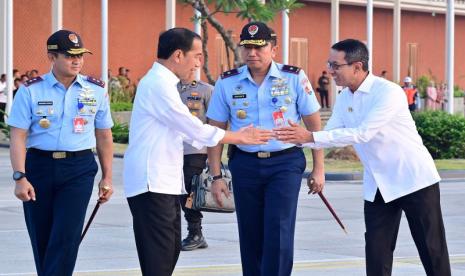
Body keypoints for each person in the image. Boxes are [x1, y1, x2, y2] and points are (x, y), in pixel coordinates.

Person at [275, 39, 451, 276]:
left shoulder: (388, 92)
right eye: (329, 64)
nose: (330, 70)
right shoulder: (345, 97)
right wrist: (298, 138)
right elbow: (330, 133)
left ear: (357, 66)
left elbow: (362, 134)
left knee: (431, 249)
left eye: (336, 65)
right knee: (376, 251)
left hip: (413, 179)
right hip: (378, 183)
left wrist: (309, 136)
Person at [123, 27, 273, 276]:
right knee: (158, 258)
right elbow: (192, 127)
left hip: (164, 182)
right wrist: (238, 137)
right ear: (178, 55)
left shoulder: (165, 83)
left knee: (169, 251)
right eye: (196, 55)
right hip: (152, 183)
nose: (198, 62)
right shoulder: (157, 85)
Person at [206, 22, 325, 276]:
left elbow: (314, 124)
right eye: (247, 47)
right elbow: (215, 132)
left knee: (279, 227)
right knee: (249, 230)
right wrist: (216, 176)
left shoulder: (294, 77)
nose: (252, 53)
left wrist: (319, 168)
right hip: (245, 163)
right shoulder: (228, 82)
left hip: (285, 163)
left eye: (259, 47)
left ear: (274, 49)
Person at [7, 29, 114, 276]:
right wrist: (20, 176)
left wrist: (107, 177)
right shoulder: (30, 90)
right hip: (38, 168)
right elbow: (18, 135)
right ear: (51, 57)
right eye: (69, 55)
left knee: (66, 235)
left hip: (78, 169)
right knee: (41, 236)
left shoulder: (95, 90)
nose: (77, 61)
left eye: (80, 55)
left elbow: (104, 135)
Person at [177, 72, 213, 251]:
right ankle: (176, 232)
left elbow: (216, 122)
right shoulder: (169, 89)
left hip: (195, 150)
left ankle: (195, 233)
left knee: (189, 192)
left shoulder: (205, 90)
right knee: (173, 193)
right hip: (171, 150)